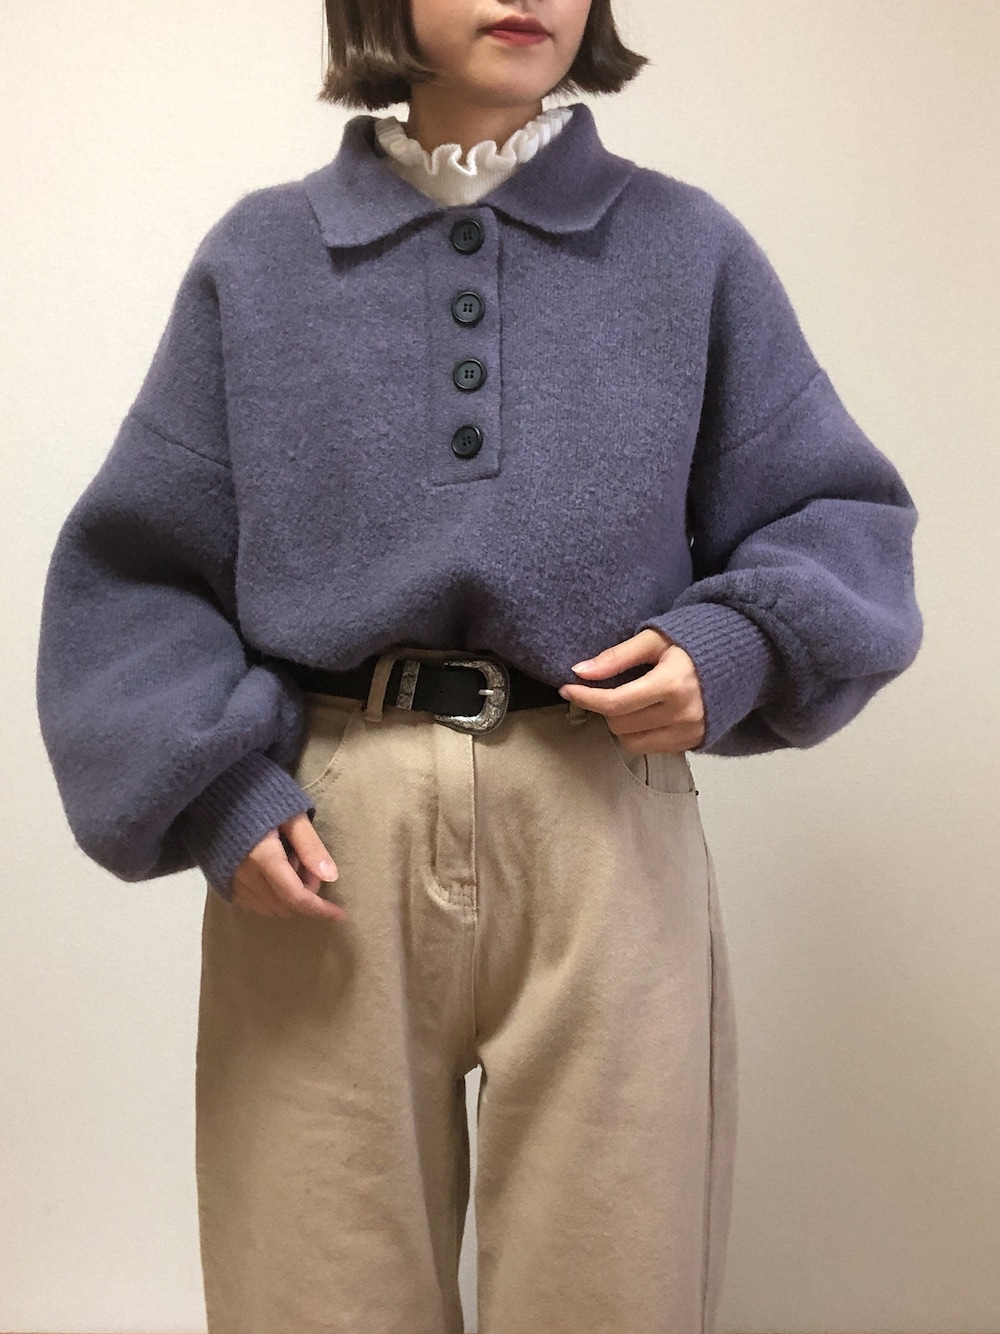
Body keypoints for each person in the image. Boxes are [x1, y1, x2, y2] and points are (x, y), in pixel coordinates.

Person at [35, 2, 923, 1331]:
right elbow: (134, 573)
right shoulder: (261, 261)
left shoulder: (686, 250)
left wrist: (736, 643)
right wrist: (217, 791)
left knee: (614, 1291)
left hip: (604, 826)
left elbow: (840, 517)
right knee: (311, 1298)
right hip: (324, 838)